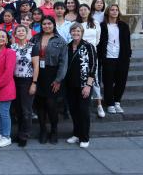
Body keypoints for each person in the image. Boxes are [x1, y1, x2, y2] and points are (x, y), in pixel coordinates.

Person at [31, 16, 68, 144]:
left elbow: (64, 63)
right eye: (44, 24)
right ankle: (43, 130)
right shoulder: (35, 38)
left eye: (49, 24)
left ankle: (54, 130)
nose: (46, 26)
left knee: (51, 104)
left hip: (53, 74)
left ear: (53, 25)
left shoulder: (60, 41)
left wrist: (58, 80)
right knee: (40, 104)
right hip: (37, 73)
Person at [65, 23, 97, 149]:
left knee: (83, 111)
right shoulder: (67, 46)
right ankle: (76, 134)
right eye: (73, 31)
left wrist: (88, 85)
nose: (75, 33)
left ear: (82, 32)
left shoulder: (88, 46)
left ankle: (84, 137)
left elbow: (93, 66)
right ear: (70, 33)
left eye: (78, 31)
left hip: (84, 84)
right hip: (70, 84)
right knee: (73, 110)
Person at [98, 4, 131, 114]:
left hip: (122, 58)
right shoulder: (102, 26)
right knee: (108, 82)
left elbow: (127, 42)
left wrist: (128, 55)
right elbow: (100, 42)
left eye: (116, 10)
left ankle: (117, 102)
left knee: (121, 81)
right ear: (108, 12)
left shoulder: (123, 26)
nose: (114, 11)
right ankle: (110, 103)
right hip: (108, 58)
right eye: (112, 10)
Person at [11, 25, 39, 147]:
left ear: (27, 33)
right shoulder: (12, 47)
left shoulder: (33, 47)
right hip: (14, 80)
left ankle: (24, 135)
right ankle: (19, 133)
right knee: (18, 109)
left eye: (23, 31)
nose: (21, 32)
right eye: (18, 31)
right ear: (15, 34)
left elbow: (36, 66)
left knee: (26, 110)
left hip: (27, 80)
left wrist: (34, 83)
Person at [77, 4, 104, 118]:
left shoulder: (95, 23)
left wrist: (91, 47)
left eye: (85, 10)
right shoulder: (77, 24)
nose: (83, 12)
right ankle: (82, 103)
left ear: (89, 11)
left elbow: (98, 39)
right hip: (81, 54)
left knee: (95, 78)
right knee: (81, 77)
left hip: (92, 53)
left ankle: (99, 104)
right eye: (81, 10)